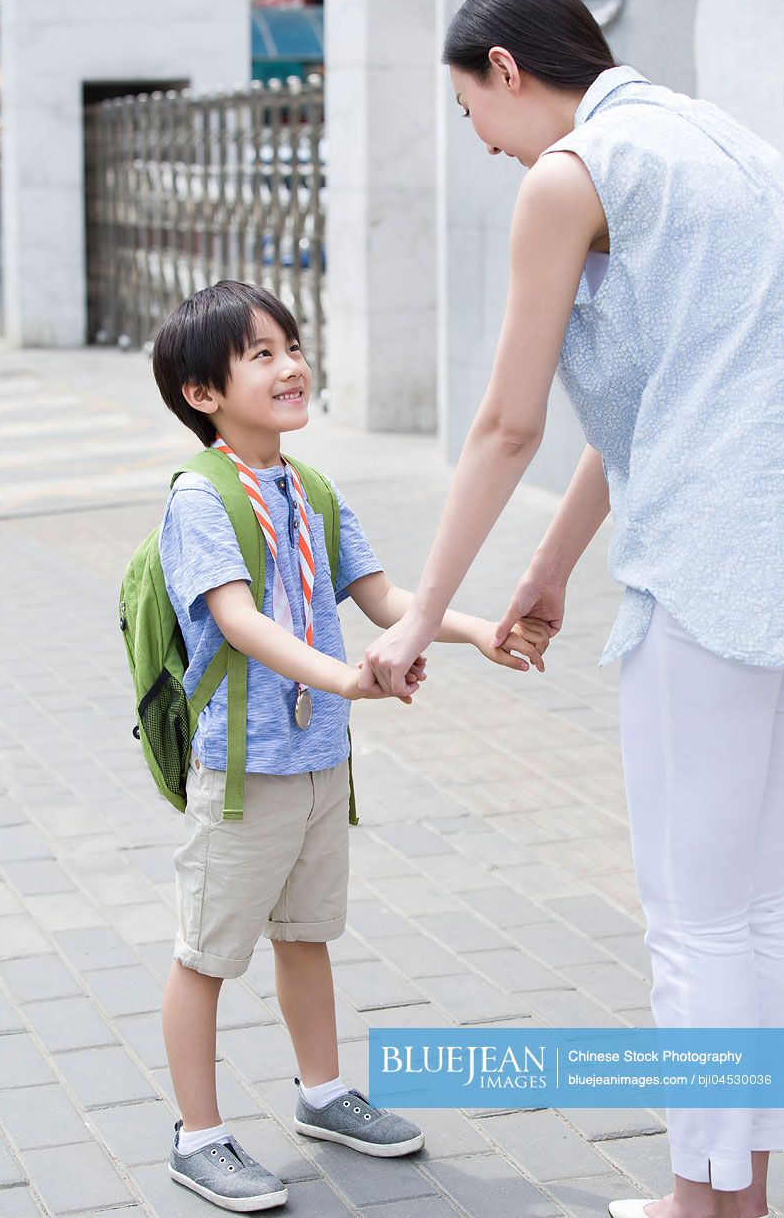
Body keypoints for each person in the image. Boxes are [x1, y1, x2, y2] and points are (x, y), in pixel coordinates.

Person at [358, 0, 784, 1218]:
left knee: (694, 922)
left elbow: (503, 424)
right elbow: (659, 386)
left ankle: (714, 1205)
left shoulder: (572, 173)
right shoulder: (717, 141)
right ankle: (734, 1186)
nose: (482, 144)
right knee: (749, 912)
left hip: (708, 577)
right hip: (761, 560)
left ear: (503, 68)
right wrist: (546, 571)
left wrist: (425, 615)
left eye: (468, 112)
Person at [151, 279, 550, 1211]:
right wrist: (345, 678)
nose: (291, 364)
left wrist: (480, 629)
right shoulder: (199, 499)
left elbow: (382, 600)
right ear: (202, 393)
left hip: (320, 763)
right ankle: (197, 1135)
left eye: (291, 344)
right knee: (205, 953)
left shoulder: (312, 489)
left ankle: (322, 1093)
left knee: (306, 934)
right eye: (260, 354)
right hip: (245, 775)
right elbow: (239, 621)